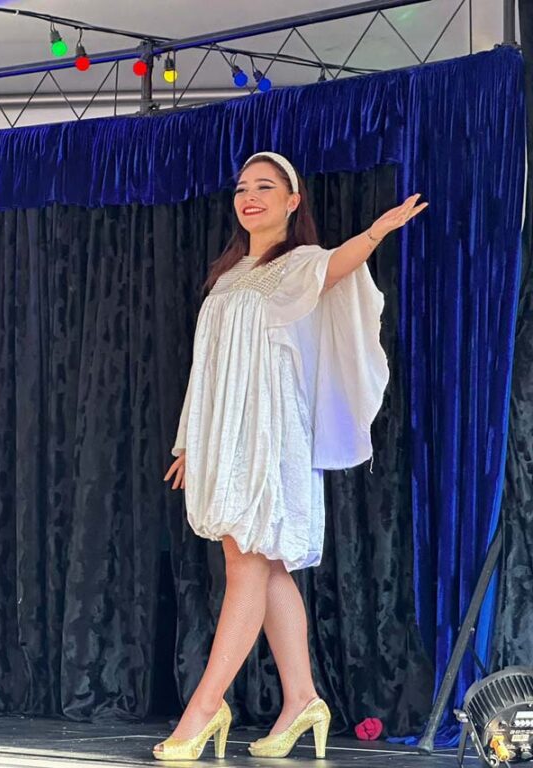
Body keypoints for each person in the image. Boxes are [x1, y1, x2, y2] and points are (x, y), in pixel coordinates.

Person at [155, 152, 427, 761]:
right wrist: (188, 441)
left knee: (247, 563)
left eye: (265, 186)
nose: (249, 196)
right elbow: (206, 367)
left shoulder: (299, 264)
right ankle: (303, 697)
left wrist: (375, 233)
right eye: (242, 188)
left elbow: (337, 264)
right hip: (225, 432)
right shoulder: (229, 276)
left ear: (292, 200)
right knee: (266, 564)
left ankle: (205, 706)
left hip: (270, 432)